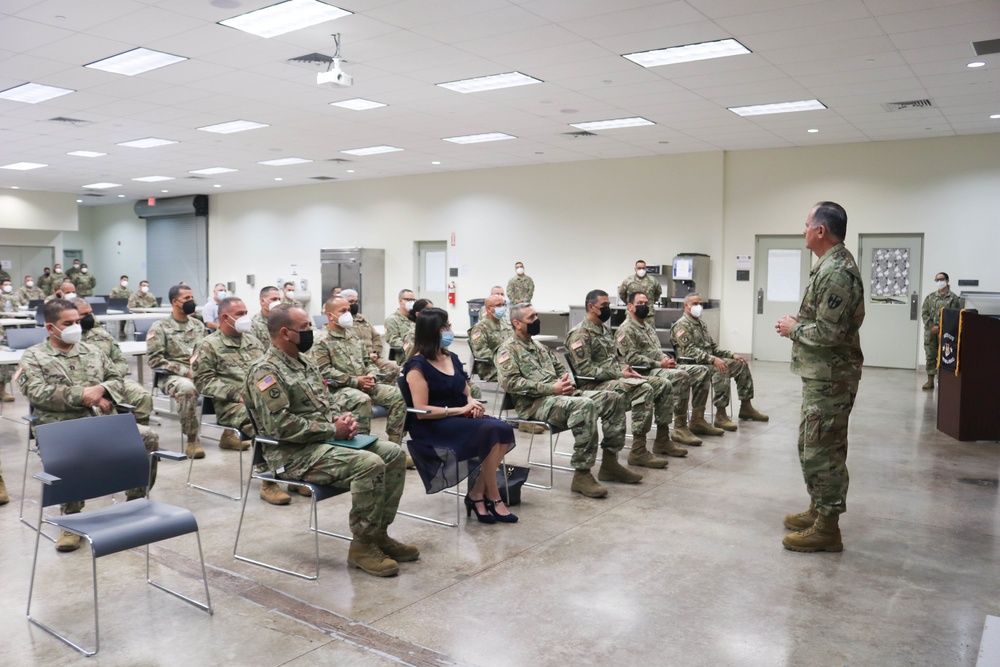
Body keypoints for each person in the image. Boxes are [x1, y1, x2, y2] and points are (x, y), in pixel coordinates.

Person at [244, 304, 416, 577]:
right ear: (286, 333)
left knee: (393, 453)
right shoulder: (265, 372)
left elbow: (325, 404)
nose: (311, 331)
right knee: (369, 464)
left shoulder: (304, 361)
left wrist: (343, 421)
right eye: (305, 328)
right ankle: (362, 546)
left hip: (323, 443)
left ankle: (379, 535)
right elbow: (280, 426)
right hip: (294, 454)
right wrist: (330, 430)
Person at [15, 298, 160, 552]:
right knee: (71, 456)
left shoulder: (93, 351)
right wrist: (82, 395)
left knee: (147, 438)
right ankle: (70, 522)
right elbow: (36, 392)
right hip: (62, 429)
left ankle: (136, 503)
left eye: (77, 322)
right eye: (68, 323)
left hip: (101, 424)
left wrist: (102, 388)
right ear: (51, 328)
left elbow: (117, 378)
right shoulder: (34, 357)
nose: (76, 328)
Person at [776, 201, 865, 553]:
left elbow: (830, 334)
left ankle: (827, 528)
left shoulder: (836, 272)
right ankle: (818, 509)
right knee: (813, 445)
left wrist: (795, 329)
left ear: (821, 231)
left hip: (831, 377)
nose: (804, 229)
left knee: (822, 451)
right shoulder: (828, 265)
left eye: (807, 224)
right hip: (822, 376)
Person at [496, 303, 631, 499]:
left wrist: (566, 384)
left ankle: (610, 462)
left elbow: (560, 370)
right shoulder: (507, 350)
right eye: (531, 318)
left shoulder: (539, 346)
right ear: (517, 323)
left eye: (536, 315)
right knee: (584, 406)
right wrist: (552, 388)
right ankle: (582, 474)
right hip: (536, 405)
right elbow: (511, 383)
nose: (536, 320)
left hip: (559, 397)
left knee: (613, 398)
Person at [405, 307, 517, 523]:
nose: (449, 331)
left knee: (502, 429)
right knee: (490, 431)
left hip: (458, 418)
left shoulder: (451, 357)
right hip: (433, 424)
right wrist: (459, 410)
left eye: (448, 326)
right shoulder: (417, 366)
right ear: (431, 331)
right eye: (444, 327)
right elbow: (422, 411)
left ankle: (477, 493)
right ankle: (493, 497)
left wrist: (471, 403)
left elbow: (464, 391)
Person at [192, 297, 293, 505]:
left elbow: (268, 368)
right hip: (232, 406)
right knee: (263, 420)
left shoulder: (252, 340)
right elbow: (203, 382)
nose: (245, 318)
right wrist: (236, 394)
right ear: (224, 318)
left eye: (246, 312)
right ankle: (268, 482)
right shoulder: (208, 345)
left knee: (293, 413)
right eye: (240, 314)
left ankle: (294, 473)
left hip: (261, 398)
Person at [566, 289, 679, 468]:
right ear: (591, 307)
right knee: (642, 388)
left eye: (608, 305)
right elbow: (585, 370)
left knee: (663, 384)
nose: (608, 309)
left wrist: (623, 368)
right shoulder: (580, 333)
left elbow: (613, 359)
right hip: (593, 386)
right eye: (604, 306)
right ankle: (638, 451)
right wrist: (619, 374)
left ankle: (662, 440)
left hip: (612, 379)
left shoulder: (603, 329)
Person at [616, 291, 719, 444]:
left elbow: (655, 350)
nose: (644, 306)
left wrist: (665, 358)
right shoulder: (626, 329)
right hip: (641, 371)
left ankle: (697, 420)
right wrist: (660, 364)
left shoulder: (647, 326)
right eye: (640, 304)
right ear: (630, 306)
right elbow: (631, 358)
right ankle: (679, 427)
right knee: (680, 376)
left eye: (646, 303)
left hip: (657, 366)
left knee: (701, 371)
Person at [309, 296, 406, 444]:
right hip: (337, 389)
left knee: (399, 395)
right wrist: (355, 381)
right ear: (330, 315)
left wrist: (371, 376)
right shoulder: (321, 340)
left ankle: (394, 444)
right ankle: (362, 444)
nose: (348, 314)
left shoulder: (352, 336)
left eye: (348, 310)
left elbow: (368, 361)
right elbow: (323, 370)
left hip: (364, 383)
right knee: (362, 400)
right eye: (343, 311)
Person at [671, 293, 768, 431]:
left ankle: (746, 407)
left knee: (740, 364)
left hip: (706, 361)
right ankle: (721, 415)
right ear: (686, 306)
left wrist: (732, 355)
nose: (699, 307)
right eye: (695, 304)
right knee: (720, 368)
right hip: (691, 363)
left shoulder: (700, 324)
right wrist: (713, 359)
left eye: (701, 304)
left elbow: (713, 347)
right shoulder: (681, 326)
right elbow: (691, 351)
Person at [146, 284, 206, 458]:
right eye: (186, 298)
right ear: (175, 302)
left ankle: (228, 434)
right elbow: (155, 360)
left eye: (192, 297)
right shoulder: (160, 327)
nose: (191, 301)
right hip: (172, 376)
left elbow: (206, 352)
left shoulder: (198, 325)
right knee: (187, 389)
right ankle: (192, 439)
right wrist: (184, 371)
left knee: (231, 380)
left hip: (198, 372)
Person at [341, 289, 398, 382]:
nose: (354, 304)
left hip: (374, 357)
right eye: (351, 302)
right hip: (357, 360)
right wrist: (367, 356)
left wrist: (376, 353)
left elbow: (376, 337)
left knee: (393, 367)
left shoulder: (362, 318)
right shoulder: (343, 321)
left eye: (356, 301)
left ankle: (383, 390)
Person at [920, 272, 961, 390]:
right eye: (936, 280)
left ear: (947, 280)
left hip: (946, 333)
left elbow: (955, 315)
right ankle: (930, 380)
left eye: (941, 279)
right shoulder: (930, 297)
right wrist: (931, 326)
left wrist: (942, 328)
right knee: (930, 355)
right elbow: (924, 313)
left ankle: (944, 381)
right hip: (931, 332)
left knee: (945, 356)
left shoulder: (953, 298)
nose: (939, 282)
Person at [469, 294, 508, 382]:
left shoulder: (504, 326)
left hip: (507, 365)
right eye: (498, 305)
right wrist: (505, 360)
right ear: (488, 309)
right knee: (518, 378)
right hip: (490, 369)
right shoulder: (479, 328)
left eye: (503, 305)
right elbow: (482, 353)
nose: (502, 308)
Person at [384, 288, 416, 359]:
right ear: (401, 301)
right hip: (404, 356)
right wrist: (412, 348)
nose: (411, 302)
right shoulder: (392, 319)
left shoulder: (415, 318)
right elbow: (393, 340)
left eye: (413, 300)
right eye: (408, 300)